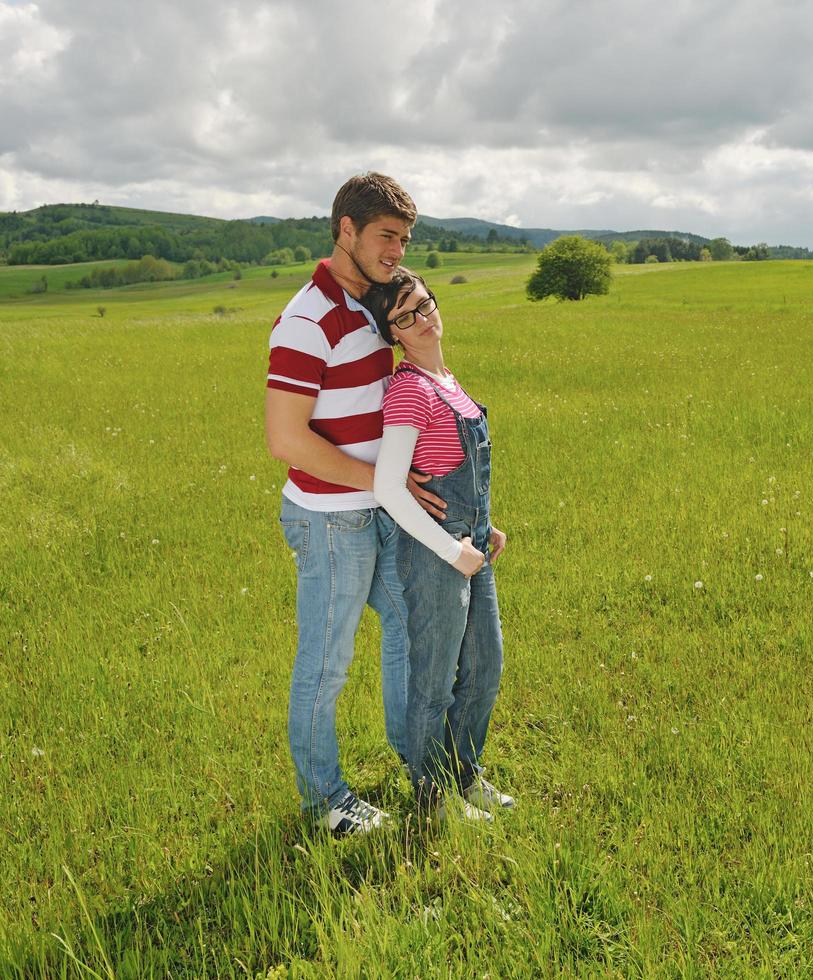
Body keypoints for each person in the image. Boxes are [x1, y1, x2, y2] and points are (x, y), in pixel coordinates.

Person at [264, 173, 445, 835]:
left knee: (410, 628)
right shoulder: (308, 319)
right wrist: (382, 487)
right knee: (327, 661)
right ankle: (325, 802)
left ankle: (422, 762)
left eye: (404, 238)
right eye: (386, 236)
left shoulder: (376, 304)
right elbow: (285, 438)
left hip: (378, 510)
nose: (398, 250)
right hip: (331, 519)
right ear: (346, 229)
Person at [366, 267, 514, 824]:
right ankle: (432, 799)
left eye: (424, 305)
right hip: (435, 557)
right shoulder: (409, 390)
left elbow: (458, 470)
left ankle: (463, 774)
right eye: (404, 316)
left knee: (484, 667)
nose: (422, 319)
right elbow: (388, 487)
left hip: (473, 545)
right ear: (394, 333)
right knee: (432, 681)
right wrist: (452, 551)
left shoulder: (447, 380)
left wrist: (486, 527)